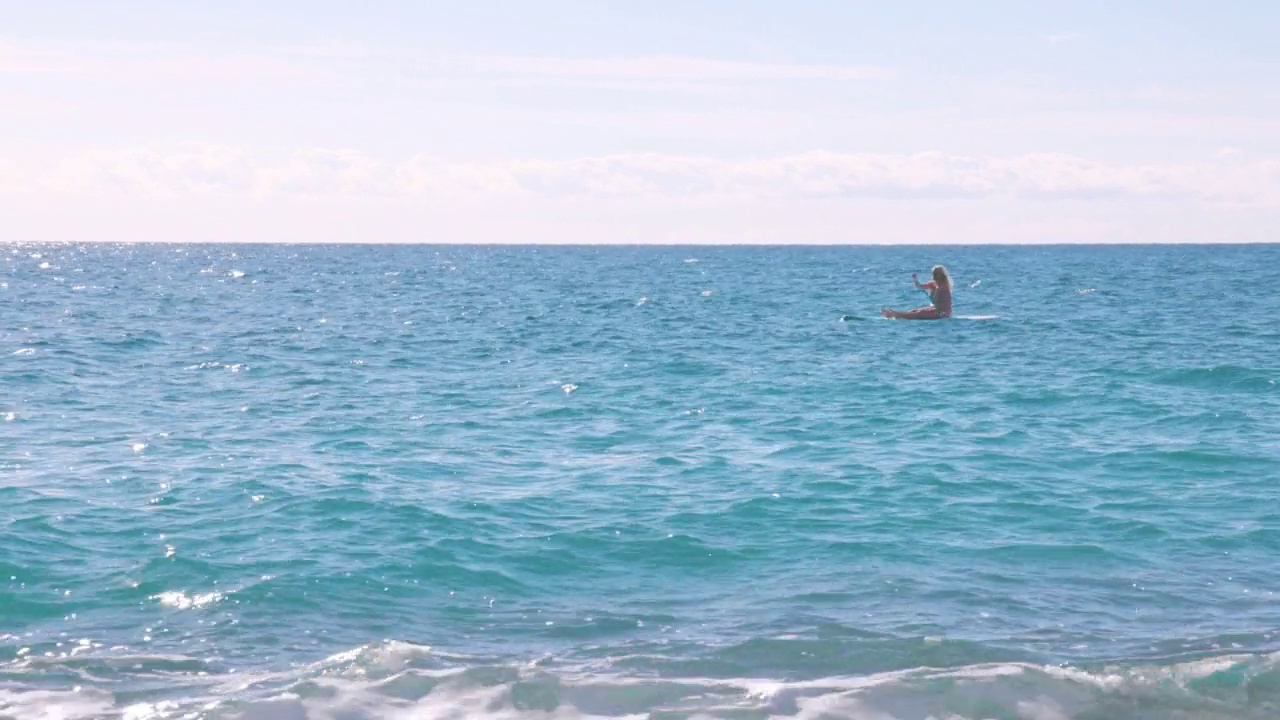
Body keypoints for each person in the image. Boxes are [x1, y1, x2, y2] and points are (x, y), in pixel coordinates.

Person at [881, 265, 953, 319]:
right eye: (933, 274)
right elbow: (920, 286)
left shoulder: (944, 286)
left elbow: (936, 301)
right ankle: (895, 315)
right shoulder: (933, 284)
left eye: (935, 274)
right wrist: (915, 280)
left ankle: (896, 315)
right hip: (934, 309)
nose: (933, 276)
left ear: (940, 275)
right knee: (914, 311)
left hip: (943, 313)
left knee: (920, 313)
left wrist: (931, 297)